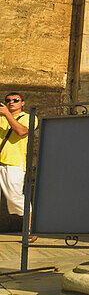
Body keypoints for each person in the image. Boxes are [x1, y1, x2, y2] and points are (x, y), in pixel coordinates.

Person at [0, 93, 36, 223]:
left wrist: (7, 114)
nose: (11, 102)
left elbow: (21, 131)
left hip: (13, 163)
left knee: (15, 198)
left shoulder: (29, 117)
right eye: (8, 100)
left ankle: (30, 229)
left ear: (22, 103)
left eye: (15, 100)